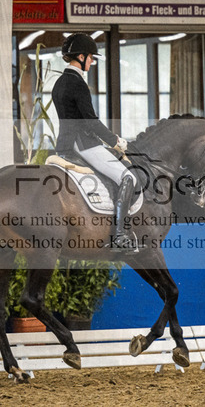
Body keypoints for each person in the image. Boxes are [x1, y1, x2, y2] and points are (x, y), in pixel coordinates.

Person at [52, 33, 138, 253]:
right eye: (90, 57)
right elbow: (90, 121)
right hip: (83, 144)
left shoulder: (59, 82)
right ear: (81, 57)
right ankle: (120, 235)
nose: (91, 62)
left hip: (64, 144)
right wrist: (115, 141)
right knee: (127, 177)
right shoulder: (78, 83)